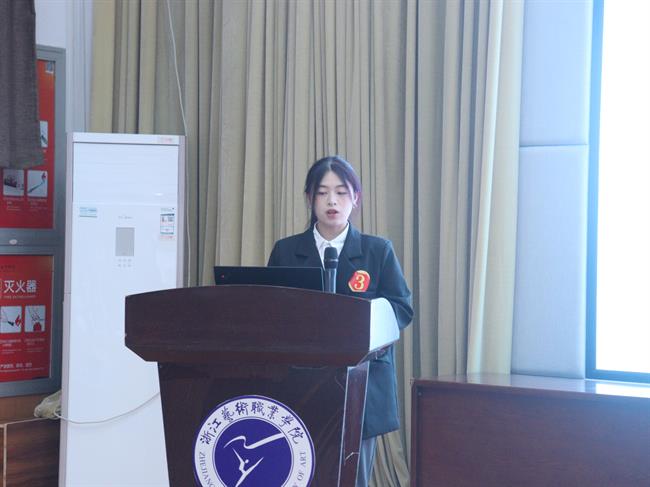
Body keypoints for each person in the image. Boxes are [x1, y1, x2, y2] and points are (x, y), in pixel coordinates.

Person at [267, 155, 413, 487]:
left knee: (353, 478)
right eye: (322, 193)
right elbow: (271, 312)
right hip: (301, 383)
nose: (332, 201)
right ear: (309, 198)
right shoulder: (287, 252)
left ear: (355, 198)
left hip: (362, 382)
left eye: (341, 192)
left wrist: (365, 325)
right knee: (301, 472)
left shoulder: (377, 251)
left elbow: (401, 308)